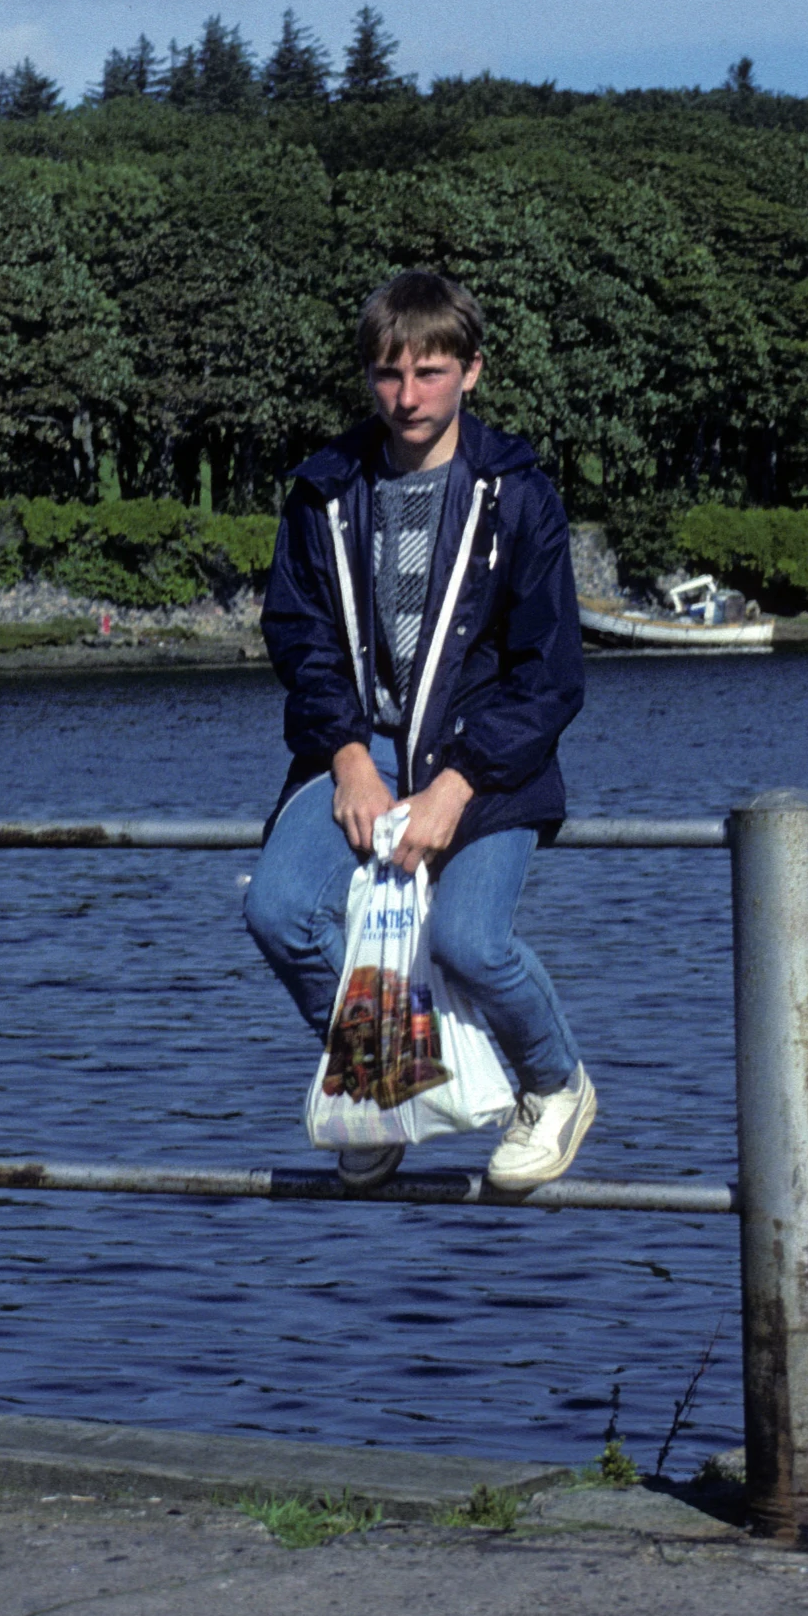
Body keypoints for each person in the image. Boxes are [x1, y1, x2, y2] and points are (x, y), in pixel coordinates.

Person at [245, 270, 597, 1189]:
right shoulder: (324, 488)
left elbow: (550, 673)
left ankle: (554, 1086)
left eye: (430, 372)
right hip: (358, 746)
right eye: (388, 375)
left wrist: (455, 783)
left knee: (466, 945)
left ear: (472, 372)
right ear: (367, 376)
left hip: (488, 758)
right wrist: (350, 755)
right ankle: (382, 1072)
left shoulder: (517, 494)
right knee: (278, 912)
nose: (407, 397)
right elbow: (300, 636)